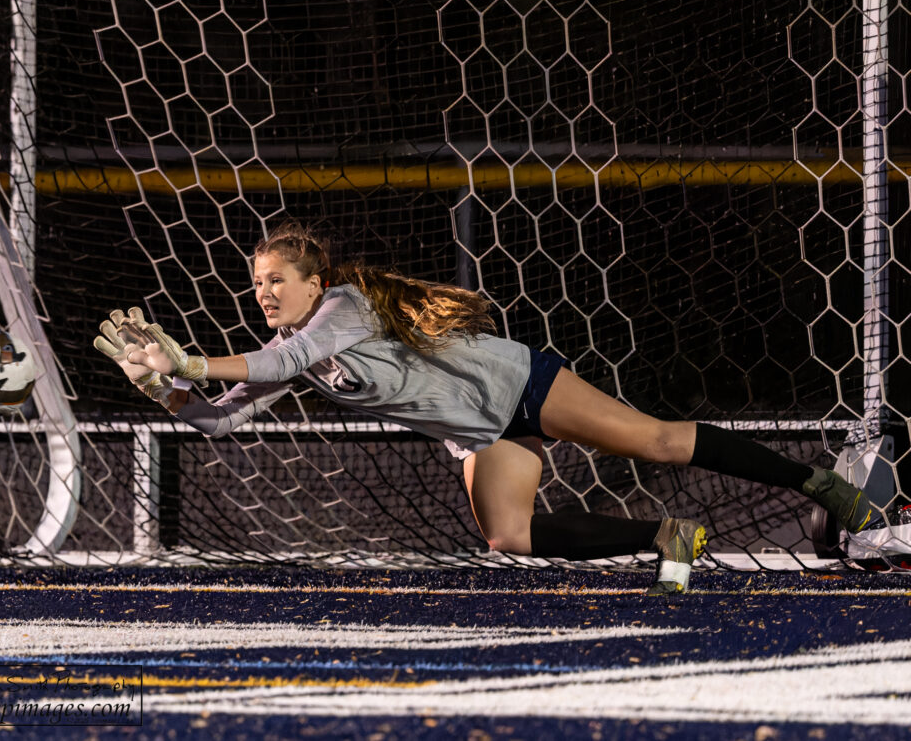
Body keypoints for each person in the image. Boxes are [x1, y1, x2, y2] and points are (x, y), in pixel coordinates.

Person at [94, 221, 879, 594]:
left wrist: (188, 358)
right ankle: (673, 537)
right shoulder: (292, 349)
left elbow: (283, 358)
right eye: (256, 283)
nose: (262, 293)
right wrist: (166, 389)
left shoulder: (338, 308)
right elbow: (222, 417)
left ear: (311, 281)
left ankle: (821, 486)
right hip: (481, 435)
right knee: (509, 537)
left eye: (274, 281)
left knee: (661, 444)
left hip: (518, 385)